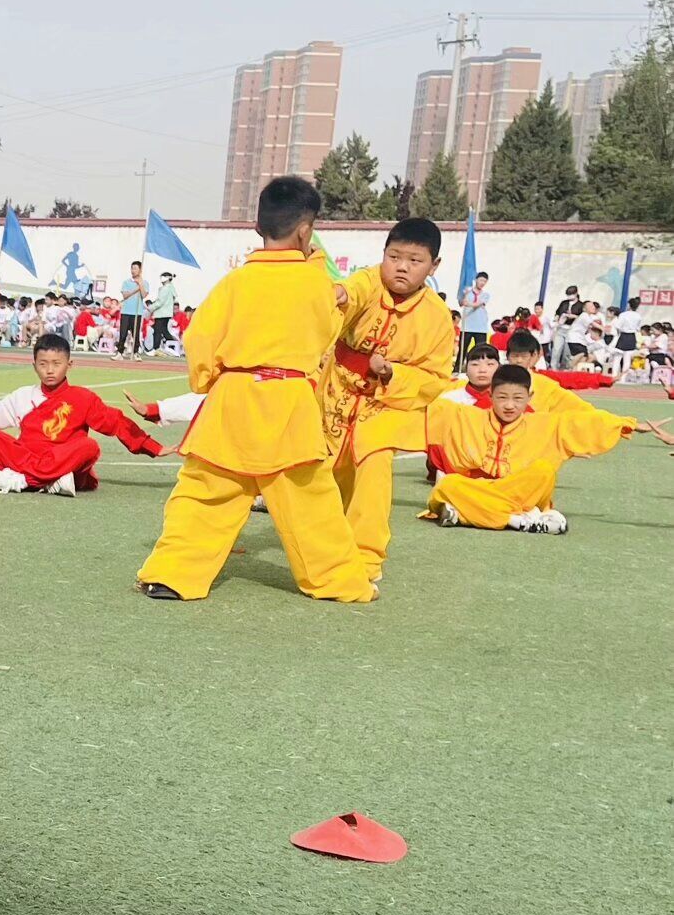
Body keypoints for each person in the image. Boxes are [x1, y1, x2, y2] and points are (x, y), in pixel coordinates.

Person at [135, 176, 374, 604]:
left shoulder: (234, 283)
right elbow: (327, 330)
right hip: (288, 402)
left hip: (234, 397)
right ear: (306, 230)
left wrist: (210, 381)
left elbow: (199, 340)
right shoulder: (313, 282)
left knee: (205, 491)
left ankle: (171, 574)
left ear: (257, 226)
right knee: (310, 502)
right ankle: (340, 582)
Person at [320, 217, 456, 581]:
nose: (402, 267)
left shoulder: (438, 319)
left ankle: (366, 559)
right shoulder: (368, 279)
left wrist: (393, 373)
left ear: (434, 266)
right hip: (336, 391)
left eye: (415, 261)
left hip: (384, 406)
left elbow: (435, 378)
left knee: (373, 471)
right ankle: (320, 546)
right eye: (394, 256)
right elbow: (353, 291)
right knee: (323, 472)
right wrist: (340, 294)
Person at [422, 364, 671, 533]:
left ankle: (472, 514)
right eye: (502, 398)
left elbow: (587, 422)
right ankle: (514, 520)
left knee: (543, 471)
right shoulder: (469, 416)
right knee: (446, 486)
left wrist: (629, 424)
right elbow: (431, 404)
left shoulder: (546, 423)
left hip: (522, 490)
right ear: (491, 394)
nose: (509, 406)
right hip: (487, 487)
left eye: (518, 399)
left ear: (529, 397)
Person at [0, 333, 162, 493]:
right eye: (43, 364)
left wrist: (152, 447)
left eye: (56, 364)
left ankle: (25, 481)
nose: (50, 370)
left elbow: (116, 422)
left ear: (69, 364)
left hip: (64, 463)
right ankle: (47, 482)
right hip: (32, 459)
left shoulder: (83, 397)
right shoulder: (22, 395)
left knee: (89, 446)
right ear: (34, 366)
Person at [458, 271, 491, 367]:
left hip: (480, 327)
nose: (482, 283)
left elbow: (477, 304)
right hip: (467, 326)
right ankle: (458, 368)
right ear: (476, 280)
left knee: (480, 351)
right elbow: (461, 303)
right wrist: (464, 295)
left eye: (485, 281)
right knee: (462, 349)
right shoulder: (467, 292)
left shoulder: (485, 295)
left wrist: (468, 303)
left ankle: (480, 368)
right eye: (481, 280)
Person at [118, 259, 148, 355]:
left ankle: (135, 353)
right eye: (132, 268)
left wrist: (140, 284)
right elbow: (125, 295)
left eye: (135, 268)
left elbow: (143, 295)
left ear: (140, 270)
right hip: (126, 311)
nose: (133, 270)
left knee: (136, 334)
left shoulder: (145, 283)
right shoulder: (126, 282)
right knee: (123, 333)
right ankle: (120, 352)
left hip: (137, 312)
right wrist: (136, 289)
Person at [150, 271, 180, 352]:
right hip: (166, 313)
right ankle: (173, 345)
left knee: (158, 331)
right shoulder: (170, 288)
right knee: (163, 330)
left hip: (161, 313)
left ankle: (156, 348)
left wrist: (151, 308)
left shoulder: (165, 288)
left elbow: (160, 302)